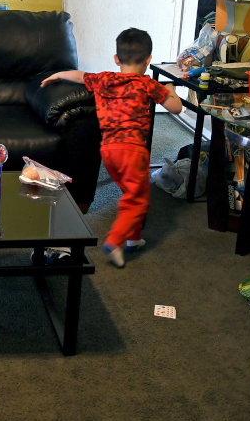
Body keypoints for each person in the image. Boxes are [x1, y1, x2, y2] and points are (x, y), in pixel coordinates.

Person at [41, 28, 181, 268]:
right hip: (133, 151)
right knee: (137, 200)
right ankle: (115, 240)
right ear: (148, 60)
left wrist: (58, 75)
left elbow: (79, 75)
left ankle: (134, 239)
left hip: (108, 151)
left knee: (133, 191)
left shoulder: (104, 79)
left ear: (117, 59)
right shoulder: (147, 84)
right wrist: (170, 90)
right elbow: (176, 108)